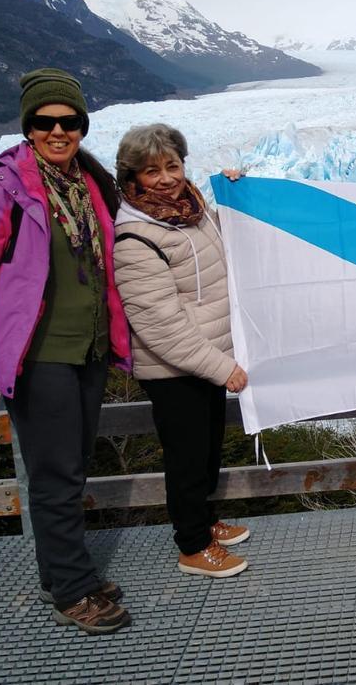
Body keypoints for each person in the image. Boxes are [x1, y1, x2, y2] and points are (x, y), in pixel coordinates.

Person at [0, 67, 134, 633]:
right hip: (40, 353)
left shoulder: (92, 183)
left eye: (69, 121)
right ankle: (73, 590)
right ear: (29, 126)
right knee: (54, 472)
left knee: (71, 467)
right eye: (45, 121)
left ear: (81, 125)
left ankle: (62, 571)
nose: (58, 131)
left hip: (90, 349)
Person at [112, 124, 251, 577]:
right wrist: (220, 366)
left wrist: (237, 192)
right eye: (152, 171)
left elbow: (224, 245)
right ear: (131, 177)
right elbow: (158, 323)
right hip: (175, 368)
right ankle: (192, 545)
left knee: (207, 448)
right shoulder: (136, 238)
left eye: (172, 165)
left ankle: (205, 522)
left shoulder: (192, 210)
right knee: (187, 455)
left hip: (206, 358)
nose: (167, 177)